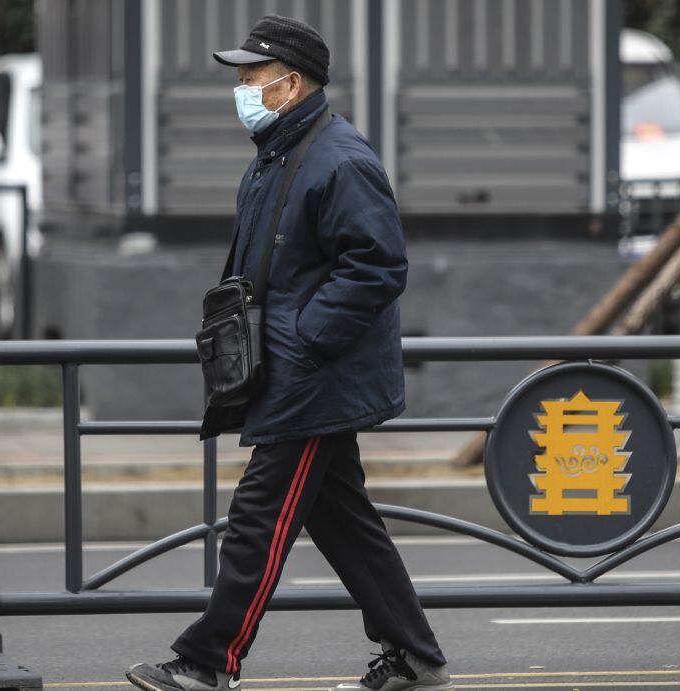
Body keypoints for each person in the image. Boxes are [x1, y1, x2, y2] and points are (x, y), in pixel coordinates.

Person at [126, 15, 451, 691]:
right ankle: (414, 655)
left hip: (313, 378)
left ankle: (209, 658)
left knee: (258, 517)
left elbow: (378, 266)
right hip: (292, 371)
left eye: (251, 77)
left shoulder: (339, 159)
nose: (242, 89)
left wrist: (305, 337)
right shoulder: (279, 155)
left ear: (291, 83)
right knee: (343, 520)